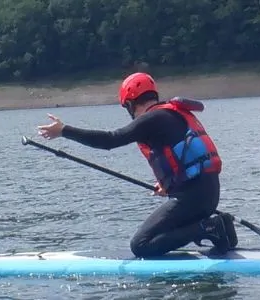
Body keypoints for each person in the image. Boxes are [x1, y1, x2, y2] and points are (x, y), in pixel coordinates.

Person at [36, 72, 239, 258]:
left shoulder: (152, 118)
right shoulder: (171, 114)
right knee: (162, 233)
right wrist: (171, 185)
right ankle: (221, 227)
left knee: (141, 245)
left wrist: (64, 131)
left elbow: (110, 140)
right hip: (209, 195)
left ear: (131, 103)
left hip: (193, 198)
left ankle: (209, 228)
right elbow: (185, 160)